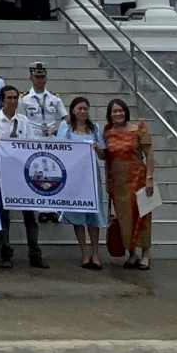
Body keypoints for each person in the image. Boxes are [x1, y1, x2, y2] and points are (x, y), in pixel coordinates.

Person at [0, 86, 47, 269]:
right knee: (4, 215)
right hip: (1, 172)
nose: (13, 101)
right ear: (1, 100)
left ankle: (34, 253)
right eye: (9, 98)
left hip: (22, 174)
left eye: (15, 97)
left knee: (30, 215)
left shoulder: (24, 121)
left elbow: (32, 146)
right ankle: (6, 253)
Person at [102, 98, 153, 270]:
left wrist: (150, 178)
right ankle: (132, 254)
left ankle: (145, 254)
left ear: (126, 112)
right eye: (114, 111)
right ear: (109, 115)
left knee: (143, 217)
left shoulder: (139, 129)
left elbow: (150, 155)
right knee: (124, 220)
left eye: (121, 110)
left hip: (139, 179)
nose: (118, 114)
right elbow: (105, 158)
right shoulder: (107, 132)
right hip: (119, 183)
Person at [60, 96, 106, 269]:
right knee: (78, 215)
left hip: (92, 176)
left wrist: (97, 148)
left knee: (93, 216)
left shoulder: (95, 129)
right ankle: (84, 253)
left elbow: (103, 155)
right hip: (74, 176)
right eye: (79, 108)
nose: (83, 112)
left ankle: (95, 253)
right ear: (73, 110)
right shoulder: (66, 128)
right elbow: (59, 149)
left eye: (85, 109)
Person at [20, 62, 64, 137]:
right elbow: (21, 121)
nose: (40, 80)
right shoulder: (23, 99)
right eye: (37, 77)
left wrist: (58, 129)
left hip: (52, 139)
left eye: (42, 77)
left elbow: (65, 118)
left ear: (46, 78)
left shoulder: (55, 98)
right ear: (31, 77)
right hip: (32, 139)